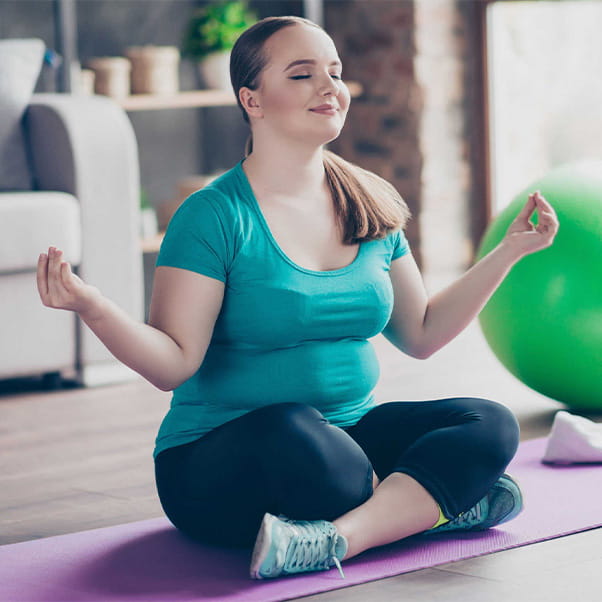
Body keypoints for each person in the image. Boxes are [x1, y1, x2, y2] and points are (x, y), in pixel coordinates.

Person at [37, 15, 559, 581]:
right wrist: (92, 305)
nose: (329, 86)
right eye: (303, 74)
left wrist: (508, 251)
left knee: (489, 423)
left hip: (347, 439)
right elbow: (172, 364)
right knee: (297, 434)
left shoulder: (370, 200)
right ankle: (433, 506)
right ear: (252, 100)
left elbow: (424, 333)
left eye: (334, 72)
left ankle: (338, 538)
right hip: (222, 462)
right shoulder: (213, 216)